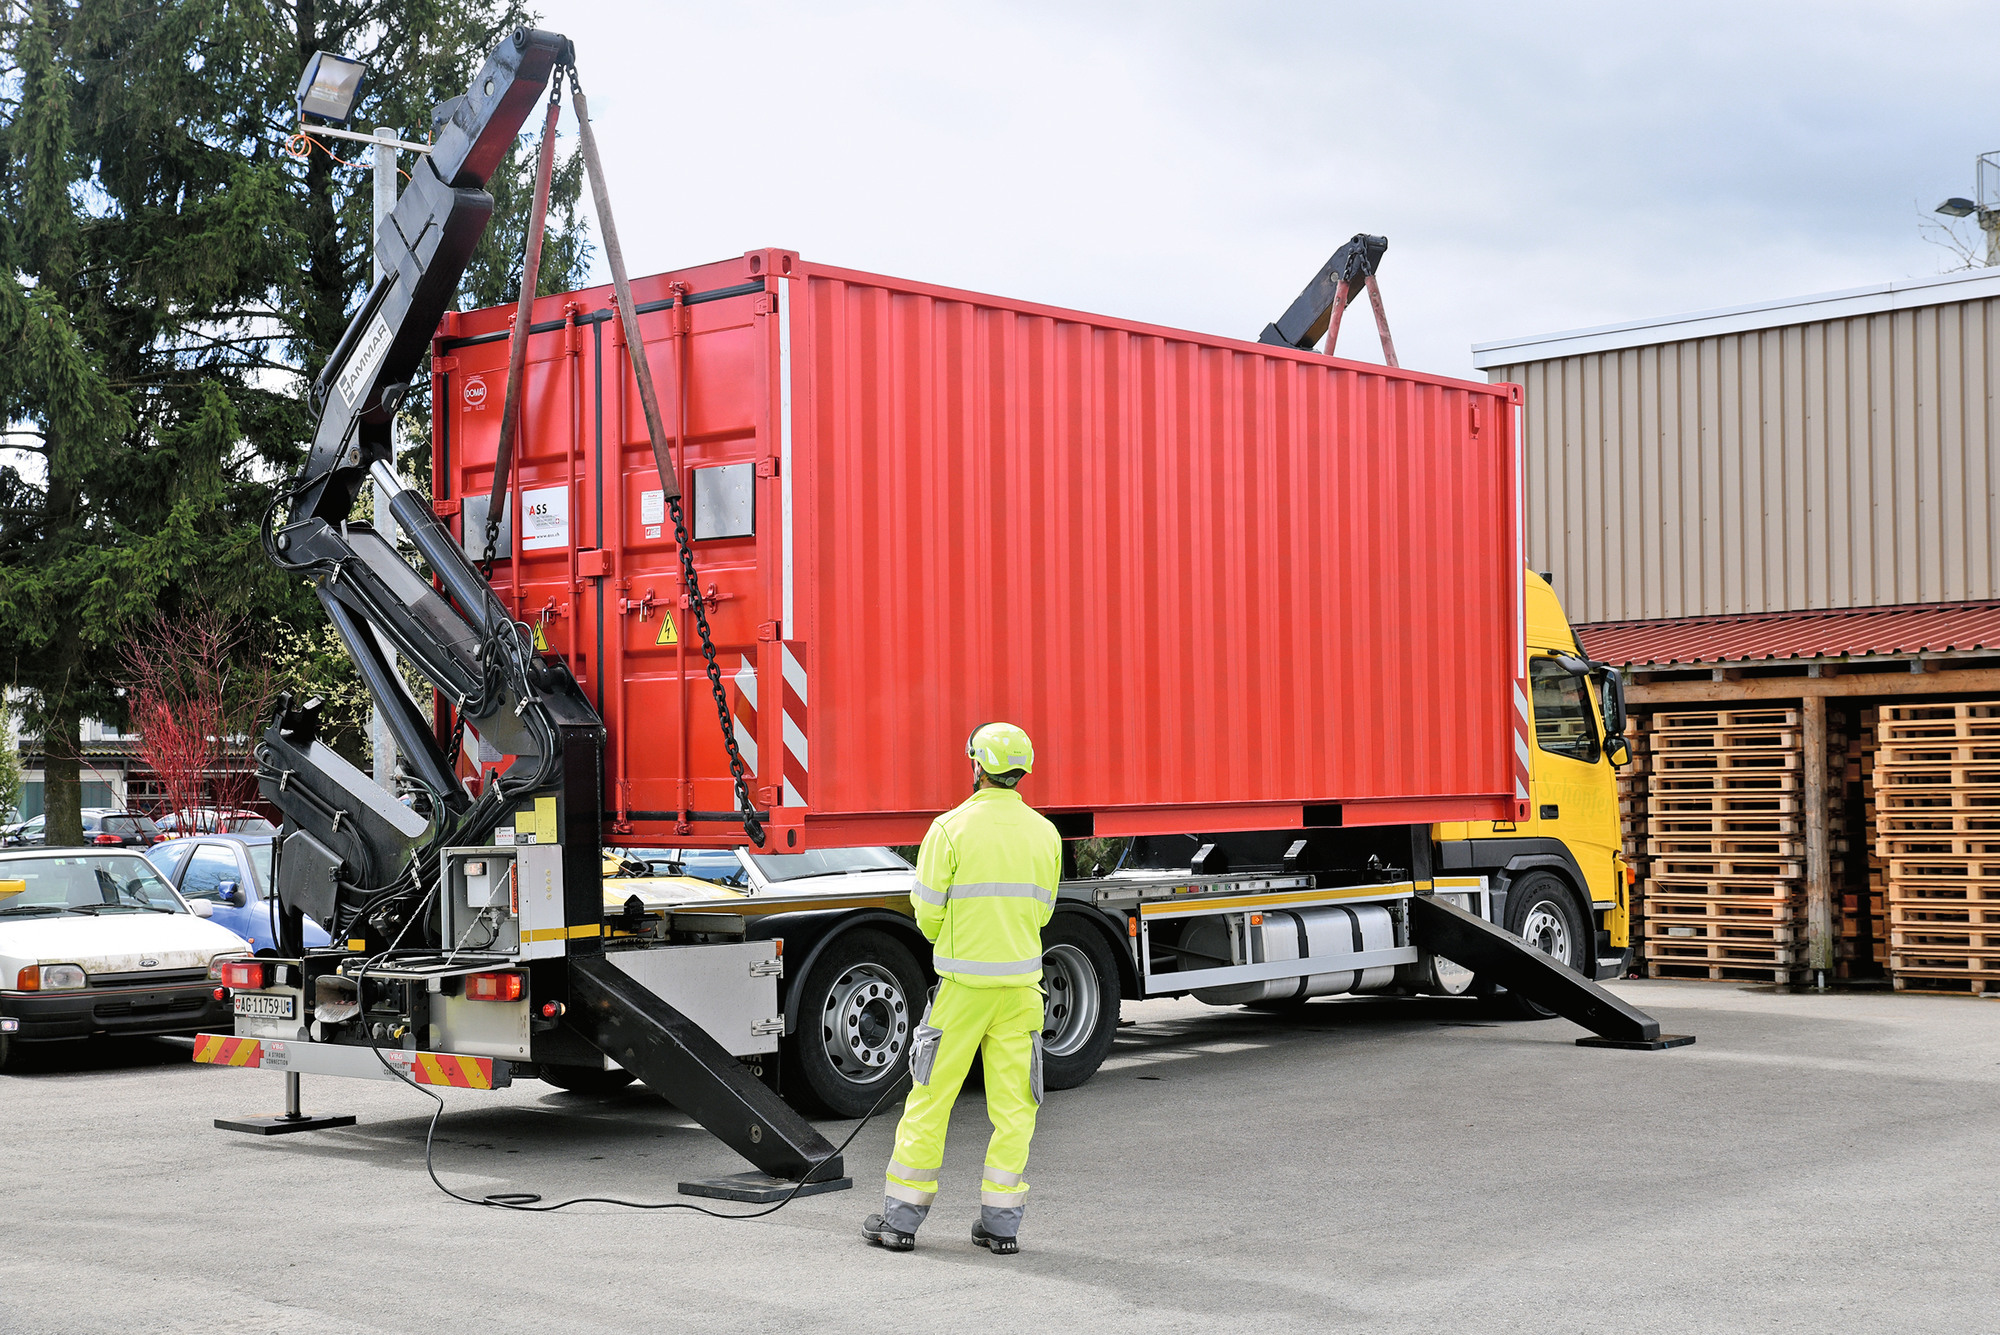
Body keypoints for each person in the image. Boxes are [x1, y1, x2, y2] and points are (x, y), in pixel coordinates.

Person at [863, 722, 1061, 1256]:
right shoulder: (1046, 834)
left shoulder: (949, 830)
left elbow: (927, 915)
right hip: (1021, 994)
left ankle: (900, 1222)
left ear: (976, 765)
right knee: (1016, 1108)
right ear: (1021, 772)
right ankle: (1001, 1227)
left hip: (962, 991)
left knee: (931, 1100)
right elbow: (1042, 912)